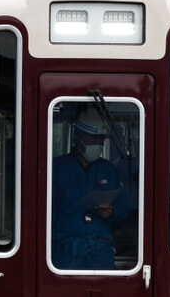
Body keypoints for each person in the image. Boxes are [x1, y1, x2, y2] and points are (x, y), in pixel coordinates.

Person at [52, 107, 129, 270]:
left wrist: (112, 212)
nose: (98, 144)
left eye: (101, 140)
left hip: (100, 252)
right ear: (78, 138)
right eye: (93, 139)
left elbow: (123, 207)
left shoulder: (108, 170)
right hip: (66, 251)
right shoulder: (56, 168)